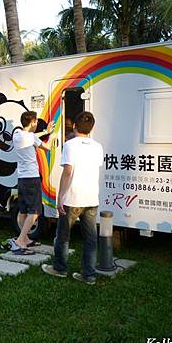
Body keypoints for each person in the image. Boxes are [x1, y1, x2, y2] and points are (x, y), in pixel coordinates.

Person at [42, 111, 104, 284]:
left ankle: (59, 268)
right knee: (90, 239)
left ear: (75, 126)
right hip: (91, 198)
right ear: (91, 128)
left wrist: (60, 196)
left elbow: (68, 172)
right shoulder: (98, 146)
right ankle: (89, 275)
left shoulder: (70, 145)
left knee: (63, 236)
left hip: (72, 198)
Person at [9, 111, 55, 255]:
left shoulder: (17, 135)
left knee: (23, 211)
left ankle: (25, 238)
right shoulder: (31, 137)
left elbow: (32, 136)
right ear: (32, 122)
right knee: (34, 212)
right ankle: (20, 241)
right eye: (36, 122)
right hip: (32, 178)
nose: (37, 124)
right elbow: (47, 147)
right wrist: (52, 136)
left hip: (22, 178)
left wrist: (45, 132)